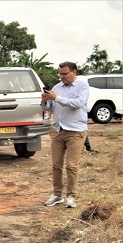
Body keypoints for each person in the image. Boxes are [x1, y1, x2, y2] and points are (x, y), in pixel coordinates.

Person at [41, 61, 89, 209]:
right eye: (60, 74)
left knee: (71, 165)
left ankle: (71, 196)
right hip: (57, 130)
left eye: (65, 74)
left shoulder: (82, 86)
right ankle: (57, 194)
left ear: (74, 72)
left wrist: (57, 98)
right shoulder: (57, 88)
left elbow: (78, 103)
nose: (61, 77)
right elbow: (49, 107)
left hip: (75, 131)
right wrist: (44, 101)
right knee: (56, 165)